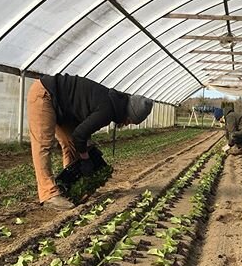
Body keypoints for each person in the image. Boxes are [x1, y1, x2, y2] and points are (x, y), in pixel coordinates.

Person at [27, 74, 153, 210]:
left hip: (62, 106)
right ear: (129, 113)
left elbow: (81, 132)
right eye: (129, 120)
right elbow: (79, 135)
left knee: (70, 144)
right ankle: (49, 194)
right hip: (45, 94)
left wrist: (86, 149)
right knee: (43, 145)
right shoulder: (107, 110)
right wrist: (86, 159)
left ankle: (69, 186)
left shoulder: (113, 102)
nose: (127, 124)